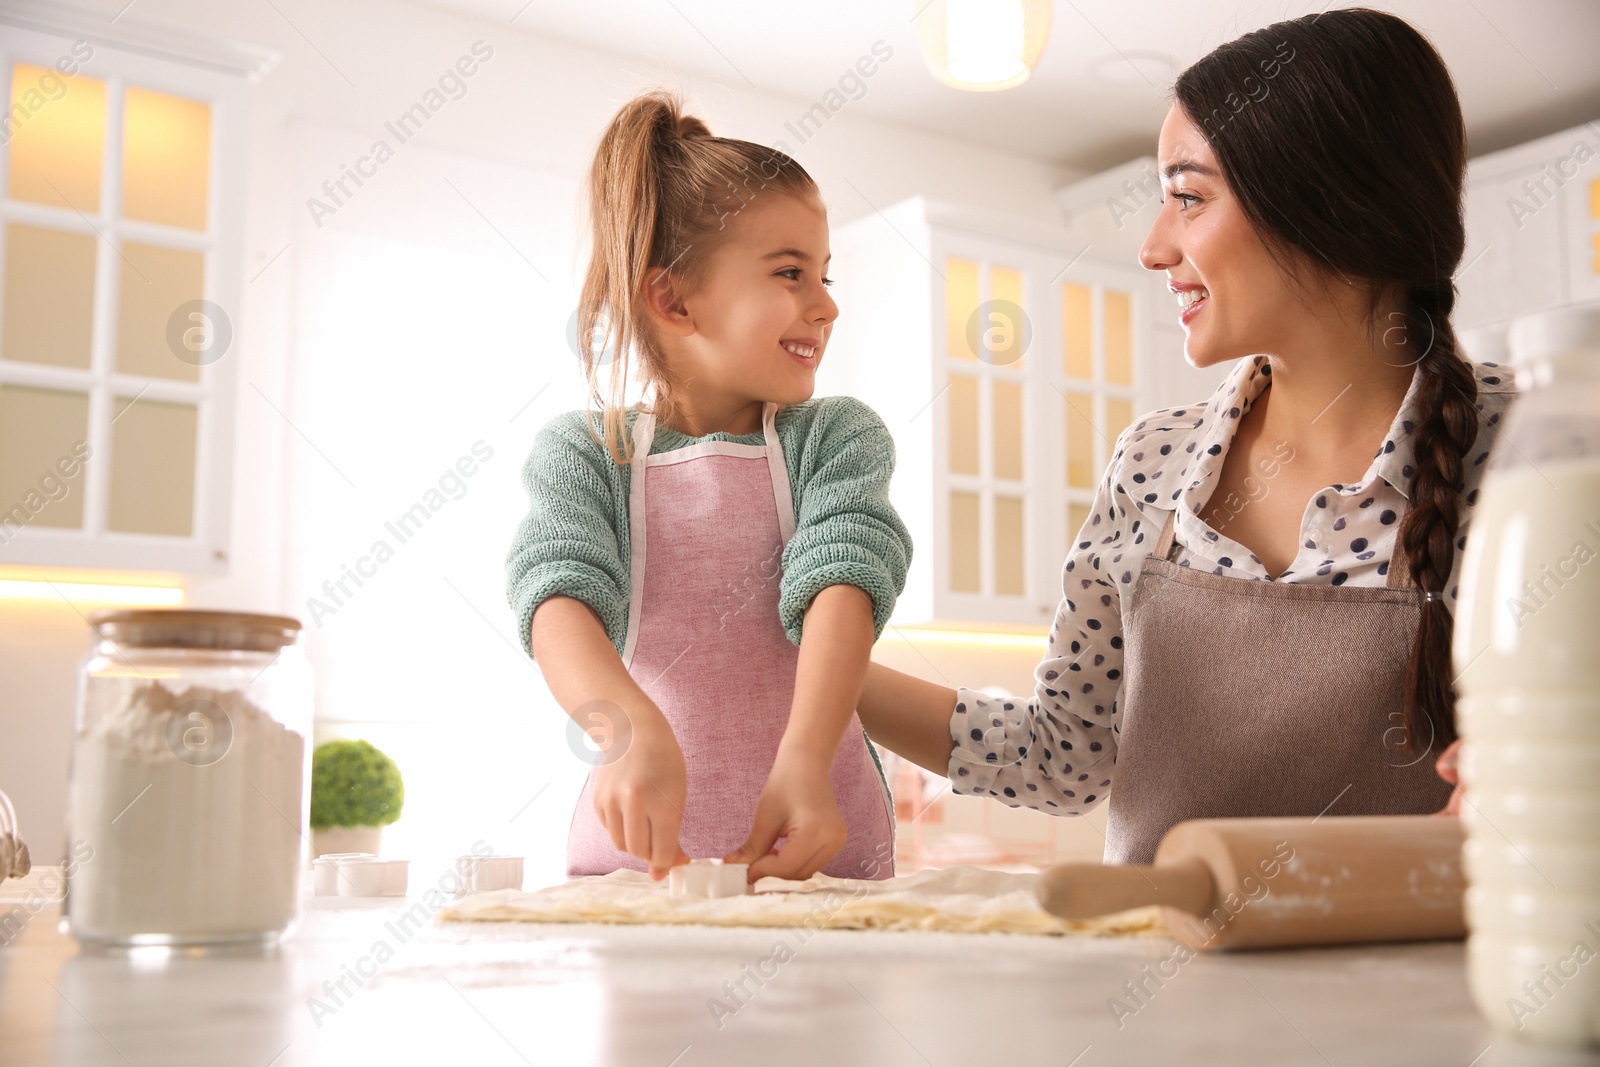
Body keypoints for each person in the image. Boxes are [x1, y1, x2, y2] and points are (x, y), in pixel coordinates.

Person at [855, 8, 1502, 864]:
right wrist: (819, 677)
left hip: (1410, 996)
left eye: (1188, 198)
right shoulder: (1153, 461)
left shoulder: (1532, 448)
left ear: (1327, 204)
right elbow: (1061, 756)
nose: (1154, 247)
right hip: (1153, 986)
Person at [507, 91, 912, 884]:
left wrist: (807, 763)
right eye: (790, 273)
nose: (826, 305)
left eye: (824, 276)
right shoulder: (589, 452)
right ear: (672, 298)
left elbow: (842, 582)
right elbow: (556, 598)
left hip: (820, 862)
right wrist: (627, 729)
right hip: (635, 872)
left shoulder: (835, 437)